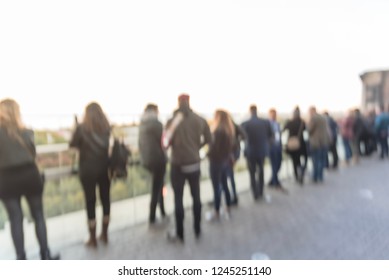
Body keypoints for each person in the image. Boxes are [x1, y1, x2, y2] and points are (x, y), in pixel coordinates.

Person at [0, 99, 59, 260]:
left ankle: (21, 259)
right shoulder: (27, 132)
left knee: (15, 219)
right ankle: (45, 254)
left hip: (6, 178)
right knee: (39, 215)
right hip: (29, 176)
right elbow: (33, 155)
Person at [164, 94, 211, 242]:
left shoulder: (172, 121)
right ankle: (197, 229)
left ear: (178, 103)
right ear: (189, 102)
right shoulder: (200, 119)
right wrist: (198, 147)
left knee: (178, 199)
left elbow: (165, 142)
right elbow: (209, 139)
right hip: (194, 164)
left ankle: (180, 234)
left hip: (178, 164)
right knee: (196, 197)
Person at [70, 102, 111, 248]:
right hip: (105, 169)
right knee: (106, 200)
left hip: (87, 170)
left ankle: (92, 239)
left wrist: (75, 127)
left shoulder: (82, 128)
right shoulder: (106, 127)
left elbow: (72, 145)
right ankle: (105, 234)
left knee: (90, 202)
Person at [138, 103, 167, 227]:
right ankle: (152, 216)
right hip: (158, 160)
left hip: (146, 161)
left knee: (159, 185)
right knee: (157, 187)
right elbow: (164, 142)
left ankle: (162, 211)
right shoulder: (157, 124)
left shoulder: (142, 124)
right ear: (154, 111)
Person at [241, 105, 273, 200]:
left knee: (252, 173)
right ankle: (261, 191)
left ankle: (255, 193)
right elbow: (270, 136)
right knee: (261, 171)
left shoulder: (245, 123)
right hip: (262, 151)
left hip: (250, 152)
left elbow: (241, 137)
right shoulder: (265, 122)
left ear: (250, 111)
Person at [207, 110, 235, 221]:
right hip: (225, 162)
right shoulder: (229, 130)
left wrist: (207, 154)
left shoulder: (218, 132)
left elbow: (214, 149)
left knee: (216, 188)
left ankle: (217, 211)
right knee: (225, 185)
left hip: (216, 163)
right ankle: (228, 207)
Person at [283, 106, 308, 185]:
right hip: (301, 144)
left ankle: (297, 176)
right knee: (303, 159)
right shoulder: (302, 122)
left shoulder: (289, 122)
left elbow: (283, 130)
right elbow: (306, 131)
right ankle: (301, 170)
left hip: (292, 144)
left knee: (294, 161)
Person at [307, 106, 331, 183]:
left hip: (316, 142)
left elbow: (309, 130)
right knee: (321, 160)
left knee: (316, 160)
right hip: (324, 142)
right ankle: (320, 176)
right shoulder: (324, 118)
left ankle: (315, 177)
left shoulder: (313, 118)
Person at [226, 121, 246, 205]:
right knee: (229, 176)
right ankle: (233, 196)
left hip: (230, 155)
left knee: (227, 176)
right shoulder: (235, 125)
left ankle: (232, 197)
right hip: (234, 154)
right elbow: (244, 136)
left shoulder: (227, 127)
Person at [268, 108, 284, 190]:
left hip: (278, 146)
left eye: (275, 114)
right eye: (272, 114)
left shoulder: (277, 124)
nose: (274, 116)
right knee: (274, 164)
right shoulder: (267, 124)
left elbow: (279, 135)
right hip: (271, 147)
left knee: (279, 163)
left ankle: (272, 180)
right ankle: (275, 181)